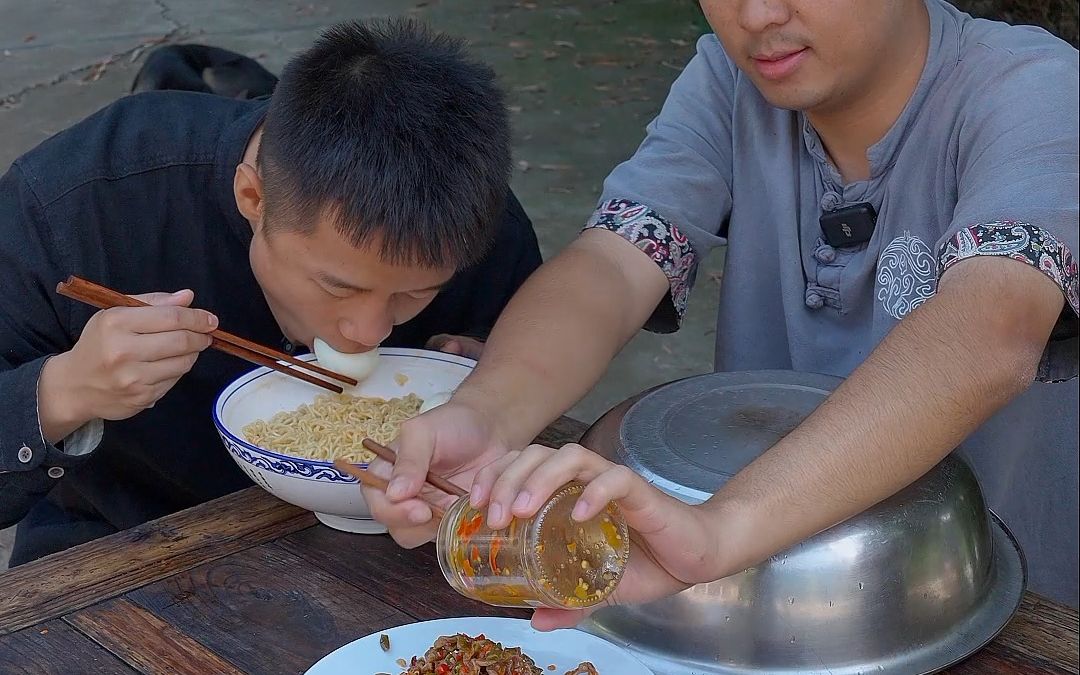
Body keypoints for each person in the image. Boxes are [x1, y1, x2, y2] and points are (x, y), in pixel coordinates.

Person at [366, 0, 1080, 624]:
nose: (758, 15)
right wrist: (487, 415)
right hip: (742, 598)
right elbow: (613, 264)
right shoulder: (729, 84)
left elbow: (993, 327)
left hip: (988, 596)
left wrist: (720, 530)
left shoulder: (1034, 90)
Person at [0, 18, 542, 566]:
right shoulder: (80, 202)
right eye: (337, 285)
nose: (370, 332)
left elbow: (521, 406)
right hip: (121, 544)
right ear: (252, 197)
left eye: (415, 295)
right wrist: (64, 392)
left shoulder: (480, 228)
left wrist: (494, 376)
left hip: (409, 547)